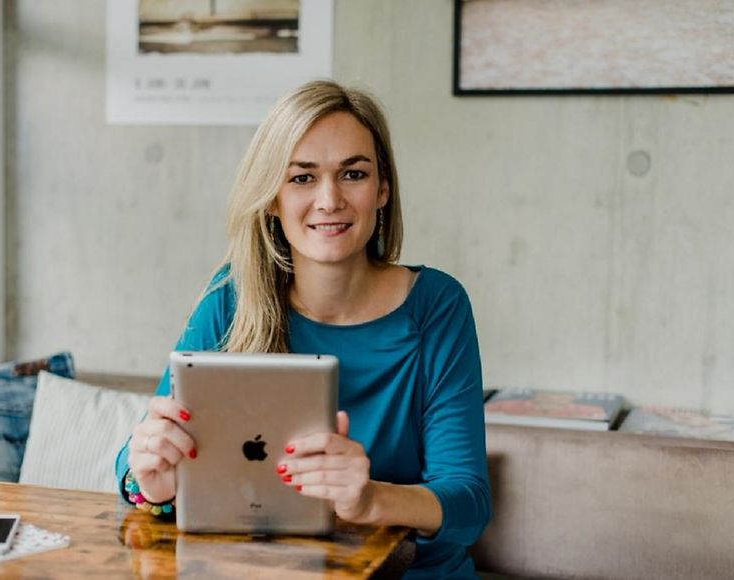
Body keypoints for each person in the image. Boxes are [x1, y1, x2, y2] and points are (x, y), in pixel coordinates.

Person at [115, 80, 492, 578]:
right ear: (272, 197)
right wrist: (153, 480)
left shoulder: (437, 306)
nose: (330, 199)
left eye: (353, 174)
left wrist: (369, 499)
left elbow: (468, 504)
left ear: (382, 190)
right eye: (302, 179)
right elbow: (130, 470)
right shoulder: (230, 299)